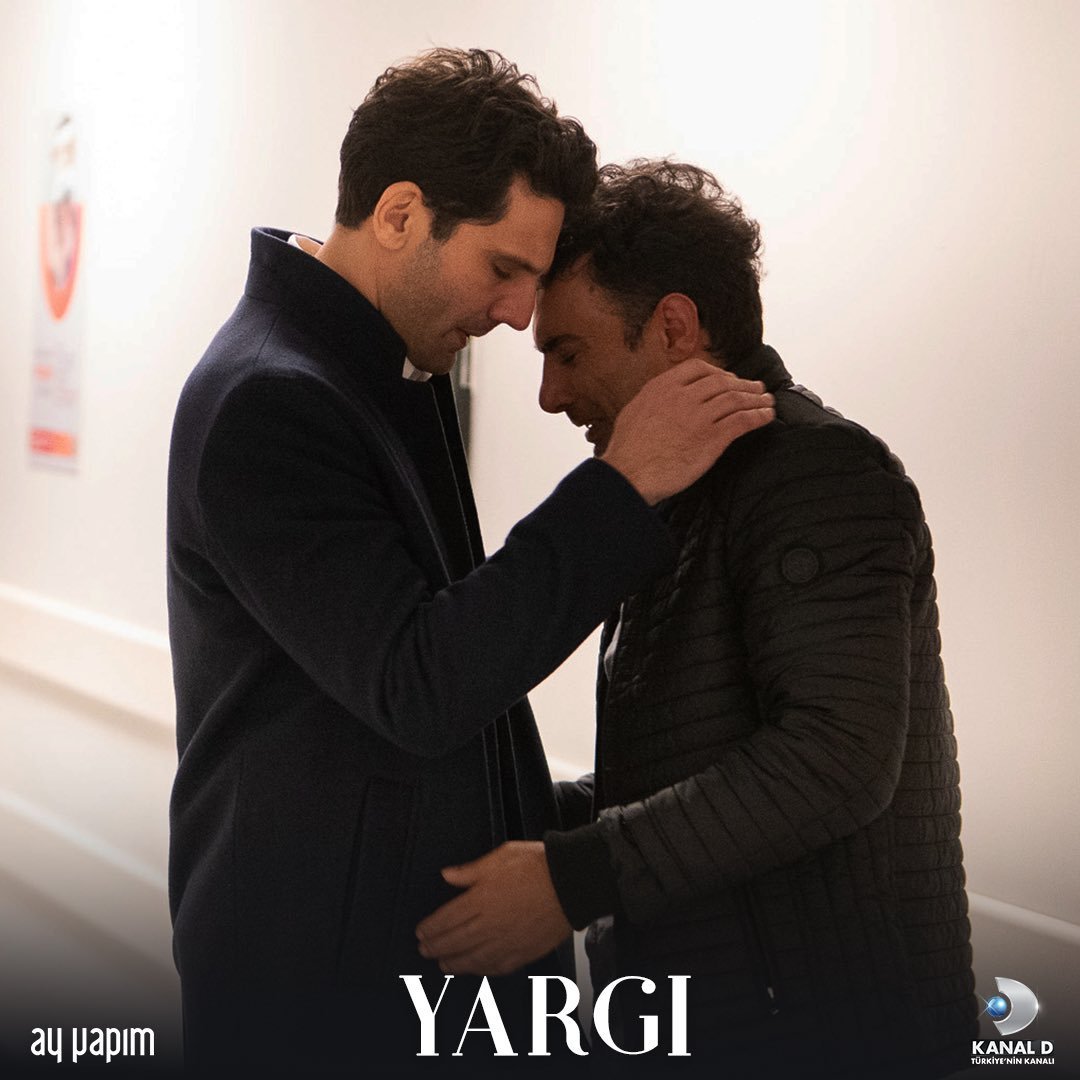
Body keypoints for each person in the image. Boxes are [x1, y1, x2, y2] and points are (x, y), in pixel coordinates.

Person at [166, 54, 774, 1073]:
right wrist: (622, 483)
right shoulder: (271, 401)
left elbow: (446, 674)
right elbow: (420, 682)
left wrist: (594, 826)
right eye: (503, 269)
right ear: (400, 214)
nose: (520, 313)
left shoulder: (379, 370)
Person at [416, 160, 978, 1077]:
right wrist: (518, 817)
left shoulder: (817, 474)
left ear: (675, 328)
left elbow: (836, 759)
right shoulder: (682, 489)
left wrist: (572, 877)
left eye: (568, 353)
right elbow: (695, 762)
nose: (552, 395)